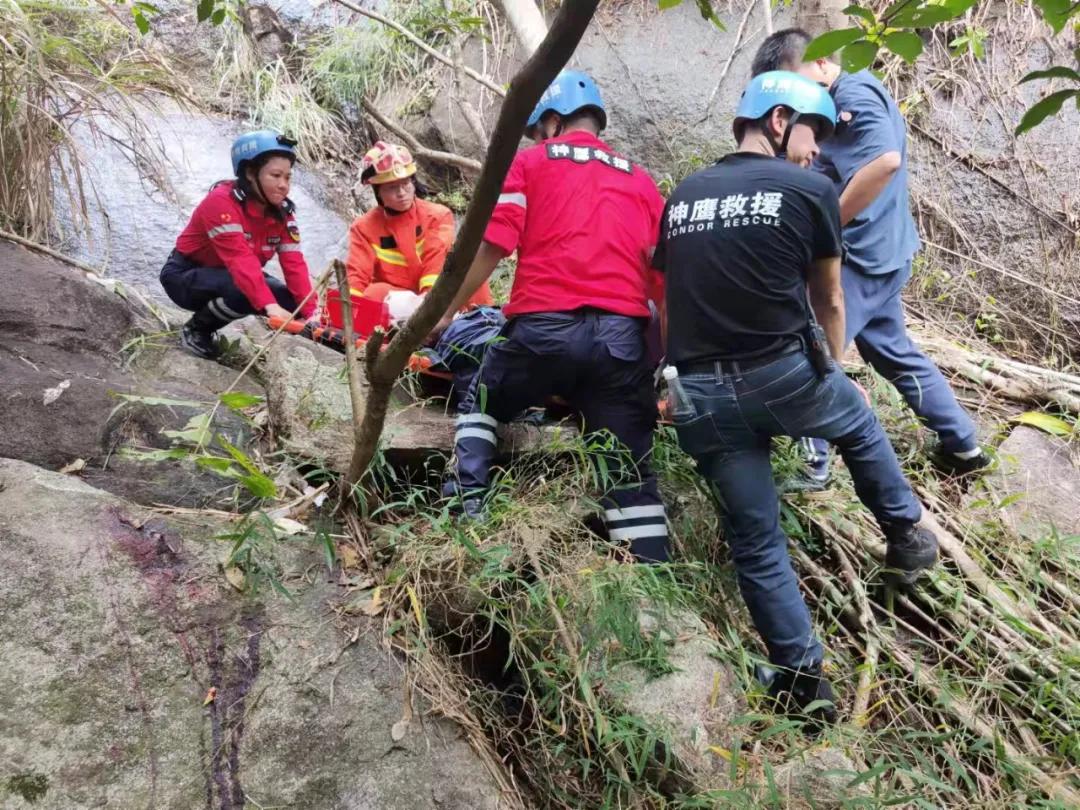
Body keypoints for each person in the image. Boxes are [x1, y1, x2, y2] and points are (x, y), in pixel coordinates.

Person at [655, 71, 938, 724]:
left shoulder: (685, 195)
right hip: (783, 374)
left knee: (756, 543)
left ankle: (804, 684)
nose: (819, 155)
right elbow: (830, 297)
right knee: (860, 425)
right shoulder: (808, 190)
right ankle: (905, 534)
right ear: (779, 121)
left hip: (701, 396)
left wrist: (670, 378)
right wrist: (833, 363)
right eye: (815, 136)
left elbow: (669, 308)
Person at [433, 70, 670, 563]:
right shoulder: (642, 181)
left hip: (541, 333)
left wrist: (443, 315)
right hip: (620, 343)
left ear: (552, 122)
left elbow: (493, 246)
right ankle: (649, 573)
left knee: (483, 391)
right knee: (630, 472)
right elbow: (662, 287)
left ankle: (466, 507)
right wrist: (661, 367)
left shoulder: (531, 162)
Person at [751, 29, 991, 489]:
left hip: (862, 253)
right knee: (891, 350)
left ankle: (813, 462)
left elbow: (884, 162)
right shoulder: (823, 102)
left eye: (796, 84)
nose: (794, 100)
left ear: (821, 64)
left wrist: (827, 226)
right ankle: (964, 444)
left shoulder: (855, 93)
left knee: (812, 343)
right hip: (884, 249)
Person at [160, 130, 317, 359]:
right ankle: (197, 329)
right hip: (184, 276)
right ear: (251, 173)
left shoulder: (282, 214)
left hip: (233, 275)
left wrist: (311, 313)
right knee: (246, 289)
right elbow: (240, 262)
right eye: (275, 175)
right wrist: (270, 307)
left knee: (295, 302)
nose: (284, 185)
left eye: (288, 177)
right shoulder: (221, 202)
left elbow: (295, 265)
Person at [345, 141, 492, 308]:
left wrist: (426, 307)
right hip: (398, 302)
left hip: (438, 296)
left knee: (472, 273)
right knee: (374, 293)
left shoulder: (437, 215)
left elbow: (435, 261)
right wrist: (347, 310)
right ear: (378, 192)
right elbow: (356, 276)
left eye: (406, 184)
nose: (401, 193)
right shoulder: (363, 228)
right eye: (392, 188)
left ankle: (482, 322)